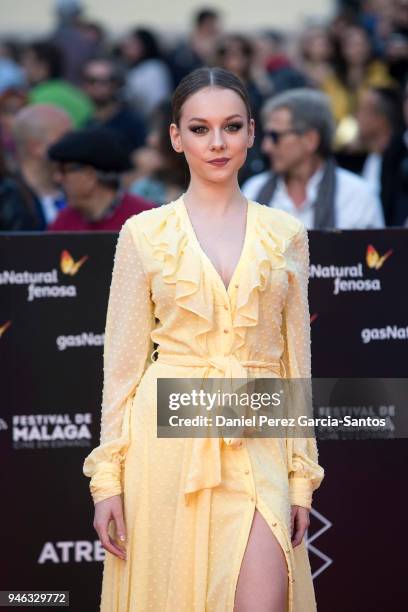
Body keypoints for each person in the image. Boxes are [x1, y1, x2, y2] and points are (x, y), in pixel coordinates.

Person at [82, 66, 325, 611]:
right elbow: (121, 370)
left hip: (257, 437)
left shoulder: (286, 235)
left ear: (251, 132)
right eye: (199, 128)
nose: (217, 142)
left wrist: (299, 479)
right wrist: (108, 483)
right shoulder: (143, 234)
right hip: (166, 444)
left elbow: (294, 365)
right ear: (175, 137)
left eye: (231, 126)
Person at [241, 88, 385, 229]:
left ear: (310, 140)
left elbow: (374, 251)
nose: (266, 147)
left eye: (275, 136)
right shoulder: (253, 191)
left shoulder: (356, 196)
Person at [46, 127, 155, 231]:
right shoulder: (64, 221)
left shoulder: (144, 219)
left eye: (64, 171)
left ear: (90, 176)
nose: (57, 178)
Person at [12, 103, 73, 229]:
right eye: (66, 138)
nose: (74, 145)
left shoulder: (77, 191)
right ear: (35, 147)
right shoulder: (8, 201)